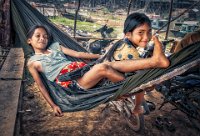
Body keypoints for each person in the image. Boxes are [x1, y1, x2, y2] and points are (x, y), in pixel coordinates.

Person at [27, 24, 169, 117]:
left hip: (83, 71)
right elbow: (41, 85)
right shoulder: (33, 62)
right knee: (103, 68)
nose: (42, 39)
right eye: (38, 36)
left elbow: (78, 55)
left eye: (45, 36)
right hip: (73, 83)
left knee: (110, 63)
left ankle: (155, 61)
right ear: (29, 40)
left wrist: (101, 56)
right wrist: (53, 105)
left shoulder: (55, 47)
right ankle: (138, 86)